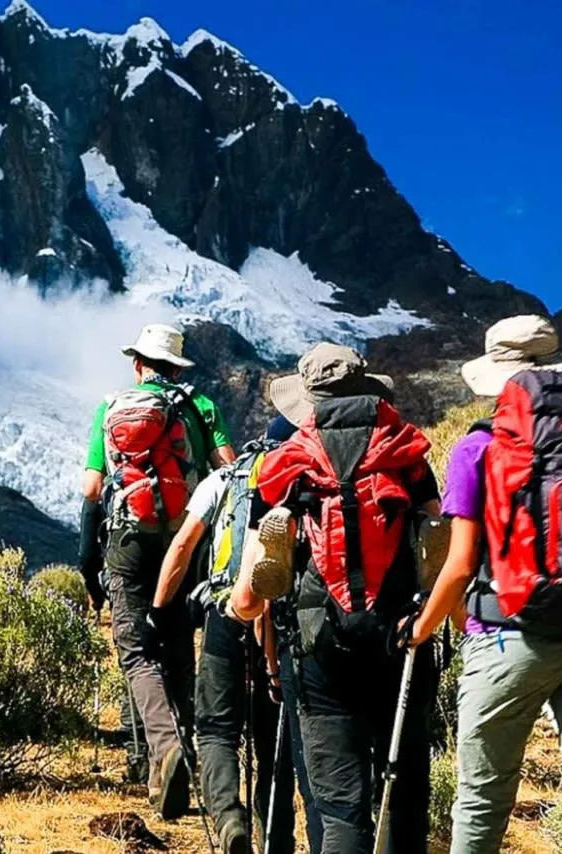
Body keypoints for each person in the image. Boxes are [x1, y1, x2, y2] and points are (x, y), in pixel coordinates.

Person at [408, 315, 562, 853]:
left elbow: (461, 563)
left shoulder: (477, 449)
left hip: (507, 639)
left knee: (481, 798)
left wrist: (422, 628)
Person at [250, 343, 441, 854]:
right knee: (405, 795)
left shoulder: (289, 458)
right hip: (401, 634)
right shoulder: (403, 451)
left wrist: (264, 641)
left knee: (339, 807)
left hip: (318, 639)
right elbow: (436, 530)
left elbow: (253, 592)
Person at [80, 323, 237, 820]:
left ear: (138, 364)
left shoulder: (110, 408)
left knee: (135, 654)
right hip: (182, 543)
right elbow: (229, 471)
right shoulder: (201, 407)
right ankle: (179, 758)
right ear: (176, 367)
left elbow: (90, 488)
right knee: (175, 649)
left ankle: (162, 752)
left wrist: (89, 560)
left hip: (127, 542)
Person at [153, 416, 304, 854]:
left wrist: (159, 613)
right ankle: (277, 835)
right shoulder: (302, 480)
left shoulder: (225, 478)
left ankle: (228, 819)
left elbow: (182, 545)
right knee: (271, 733)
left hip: (226, 611)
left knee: (217, 727)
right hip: (279, 620)